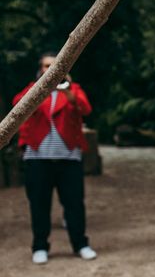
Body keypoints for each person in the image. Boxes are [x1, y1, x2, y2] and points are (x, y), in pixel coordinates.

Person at [13, 52, 97, 265]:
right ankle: (40, 246)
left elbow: (85, 108)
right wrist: (39, 86)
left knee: (74, 204)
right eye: (45, 66)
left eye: (54, 65)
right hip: (38, 158)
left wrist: (68, 89)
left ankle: (81, 244)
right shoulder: (33, 90)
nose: (49, 69)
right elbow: (17, 104)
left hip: (68, 158)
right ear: (39, 69)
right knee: (39, 205)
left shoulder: (72, 89)